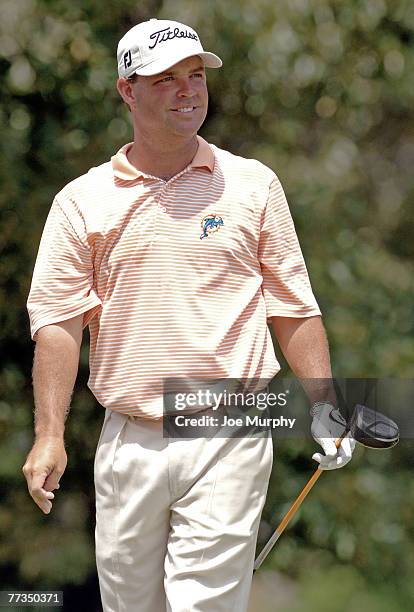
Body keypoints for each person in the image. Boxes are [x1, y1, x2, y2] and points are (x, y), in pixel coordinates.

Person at [23, 18, 355, 612]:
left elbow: (292, 307)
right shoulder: (82, 201)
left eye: (196, 75)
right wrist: (49, 436)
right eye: (167, 78)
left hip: (232, 422)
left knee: (202, 604)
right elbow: (58, 323)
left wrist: (326, 403)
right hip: (131, 434)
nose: (188, 90)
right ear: (127, 90)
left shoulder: (254, 185)